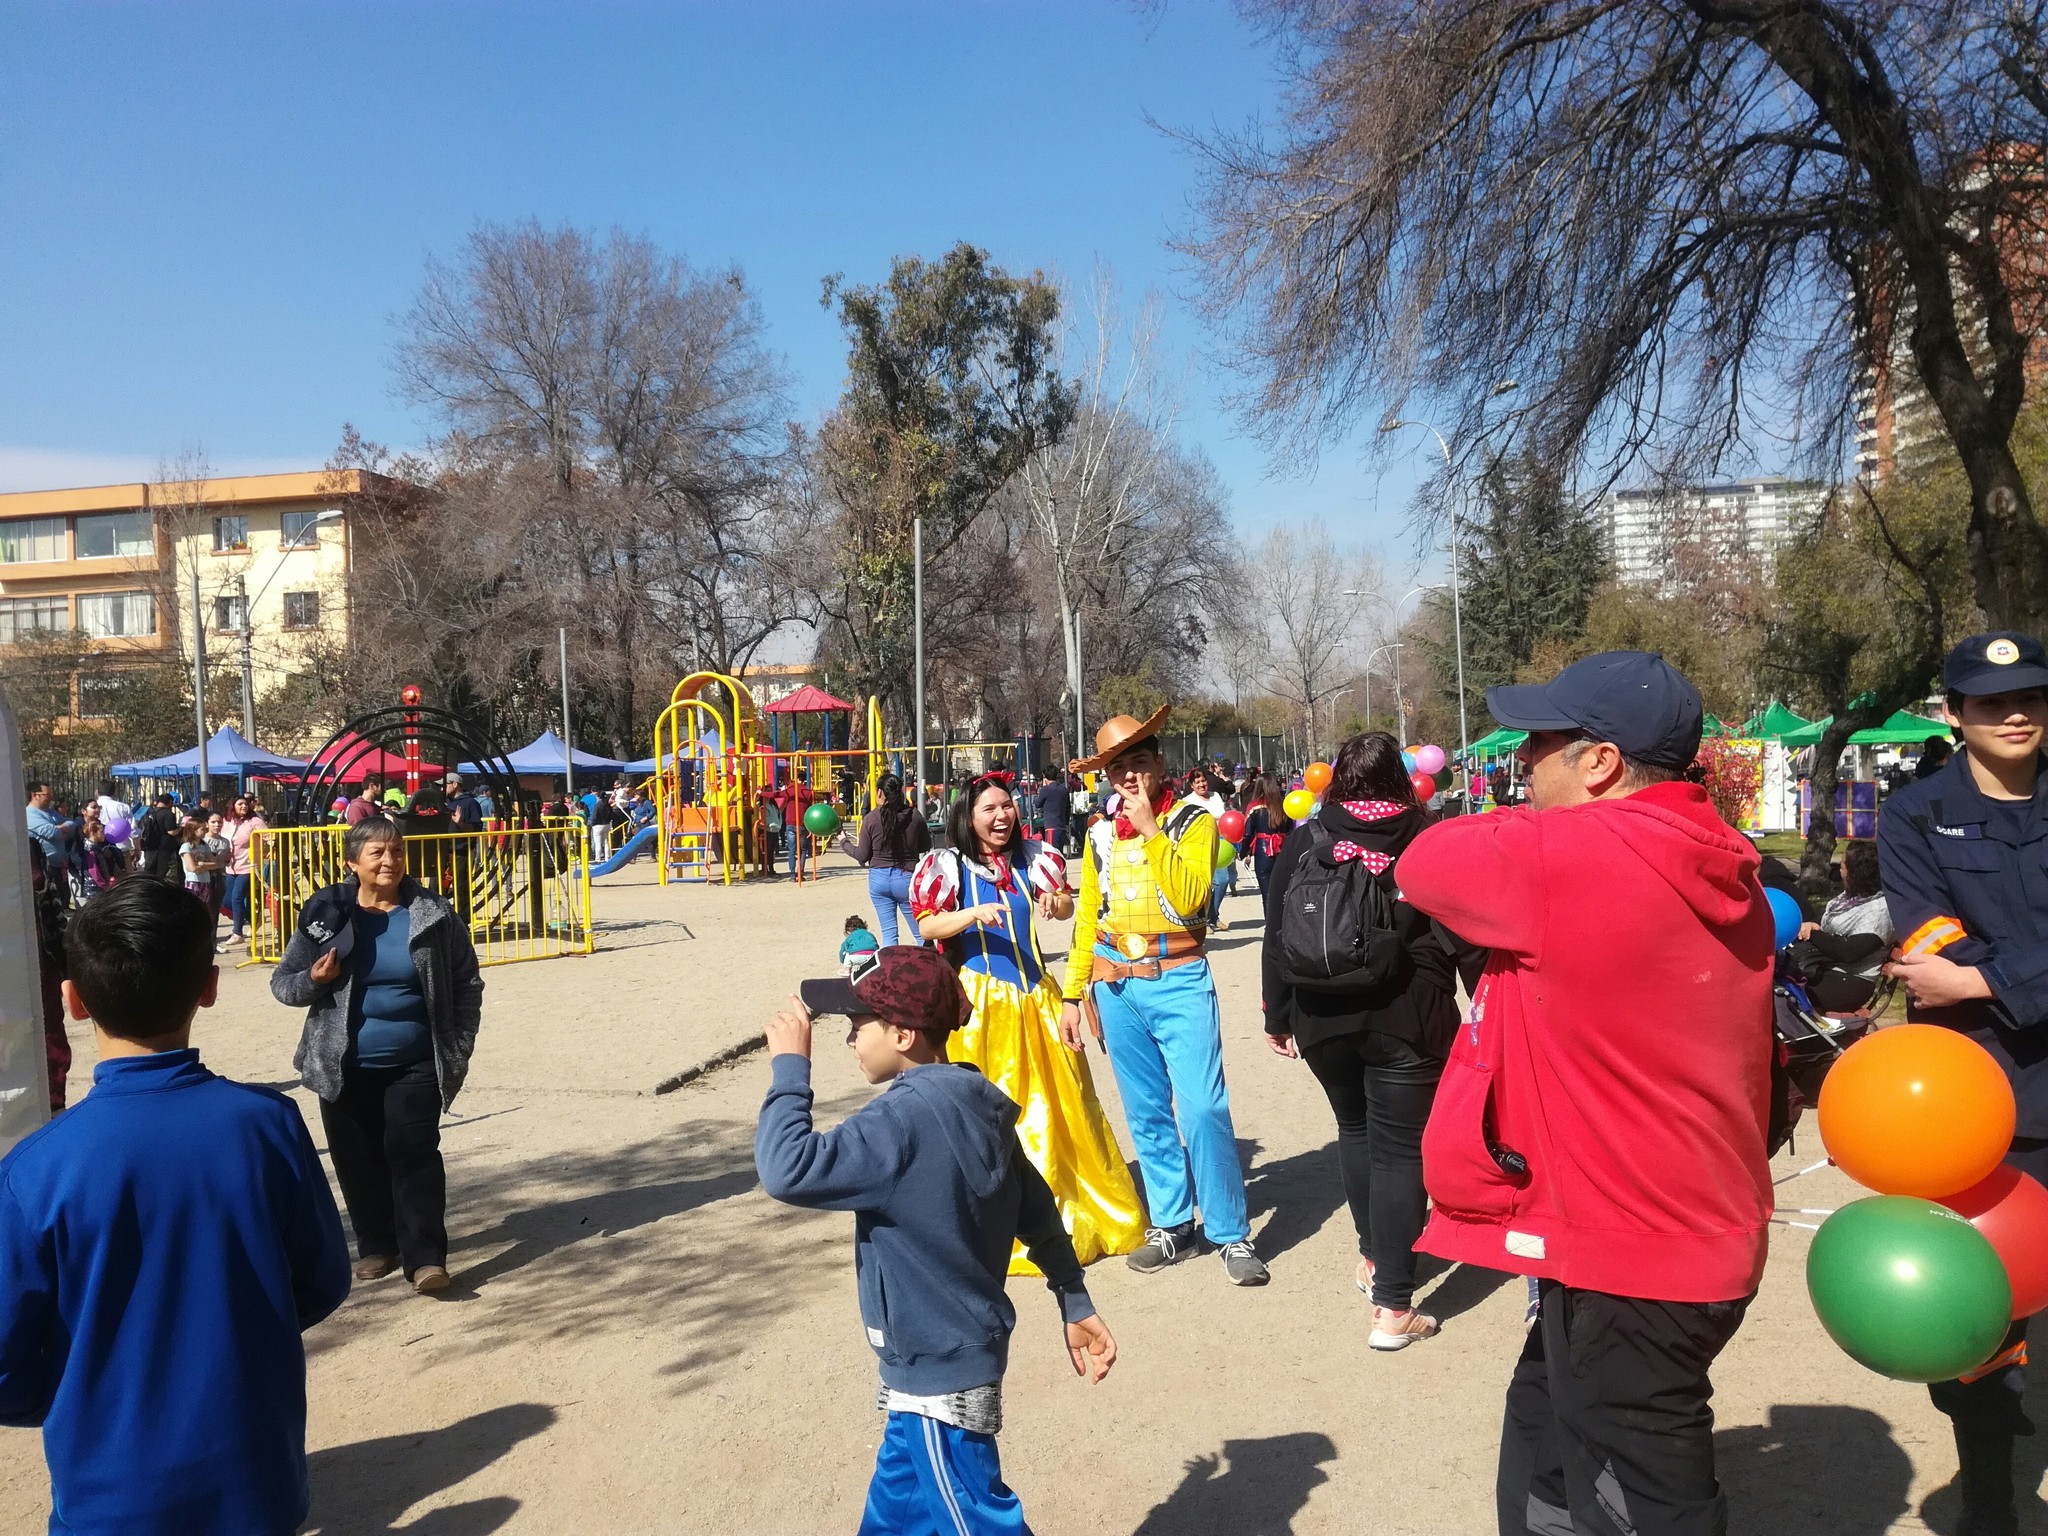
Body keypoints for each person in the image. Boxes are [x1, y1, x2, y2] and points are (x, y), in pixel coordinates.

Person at [1398, 650, 1773, 1536]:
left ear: (1600, 761)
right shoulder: (1726, 861)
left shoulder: (1570, 854)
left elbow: (1425, 862)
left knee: (1645, 1499)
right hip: (1682, 1229)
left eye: (1541, 743)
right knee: (1546, 1439)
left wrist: (1517, 823)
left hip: (1632, 1250)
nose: (1522, 761)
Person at [0, 878, 350, 1535]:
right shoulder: (267, 1126)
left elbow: (4, 1364)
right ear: (209, 987)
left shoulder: (33, 1173)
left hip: (107, 1496)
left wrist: (85, 1387)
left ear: (72, 1001)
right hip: (258, 1478)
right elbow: (323, 1278)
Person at [754, 946, 1116, 1536]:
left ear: (902, 1034)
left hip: (938, 1383)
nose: (849, 1039)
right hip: (934, 1367)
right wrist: (1073, 1296)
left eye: (857, 1025)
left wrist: (791, 1070)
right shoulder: (978, 1102)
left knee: (979, 1523)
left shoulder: (897, 1123)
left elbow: (786, 1168)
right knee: (895, 1519)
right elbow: (1038, 1208)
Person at [1878, 631, 2048, 1536]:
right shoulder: (1914, 815)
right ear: (1955, 714)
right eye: (1991, 702)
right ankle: (1989, 1489)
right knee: (1979, 1324)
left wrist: (1987, 982)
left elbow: (1958, 971)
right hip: (1973, 1107)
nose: (2016, 714)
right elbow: (1925, 938)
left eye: (2031, 697)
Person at [1262, 731, 1480, 1350]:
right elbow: (1464, 926)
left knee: (1355, 1132)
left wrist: (1278, 1015)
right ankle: (1392, 1308)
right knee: (1400, 1149)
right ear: (1400, 779)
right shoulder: (1427, 835)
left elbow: (1278, 925)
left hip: (1320, 1014)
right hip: (1408, 1013)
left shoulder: (1309, 835)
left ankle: (1374, 1258)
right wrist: (1480, 994)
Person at [1058, 710, 1266, 1285]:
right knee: (1146, 1113)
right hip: (1116, 984)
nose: (1128, 777)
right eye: (1118, 768)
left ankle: (1229, 1231)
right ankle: (1173, 1224)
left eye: (1139, 763)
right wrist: (1074, 993)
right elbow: (1086, 920)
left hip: (1178, 977)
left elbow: (1194, 897)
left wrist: (1151, 830)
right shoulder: (1098, 834)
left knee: (1203, 1108)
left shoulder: (1192, 823)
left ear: (1159, 764)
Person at [911, 773, 1146, 1268]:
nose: (1001, 817)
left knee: (1063, 1107)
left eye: (1007, 807)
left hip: (1037, 997)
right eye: (989, 810)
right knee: (992, 1112)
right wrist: (973, 913)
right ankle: (995, 1221)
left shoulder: (1034, 858)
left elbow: (1063, 906)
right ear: (967, 817)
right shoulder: (946, 865)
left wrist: (1053, 902)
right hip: (980, 1005)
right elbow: (927, 923)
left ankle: (1067, 1206)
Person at [271, 815, 485, 1295]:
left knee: (414, 1155)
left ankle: (426, 1258)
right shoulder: (327, 914)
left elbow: (466, 980)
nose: (390, 861)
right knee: (356, 1157)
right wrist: (314, 981)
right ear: (353, 862)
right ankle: (376, 1245)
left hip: (415, 1061)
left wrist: (459, 1042)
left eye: (397, 852)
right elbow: (283, 984)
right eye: (378, 853)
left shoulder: (433, 912)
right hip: (342, 1062)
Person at [1790, 840, 1893, 1014]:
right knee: (1777, 978)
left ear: (1857, 872)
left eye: (1844, 865)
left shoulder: (1880, 910)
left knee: (1785, 993)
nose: (1840, 868)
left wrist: (1814, 934)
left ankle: (1800, 1039)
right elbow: (1827, 926)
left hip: (1851, 982)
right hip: (1825, 968)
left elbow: (1848, 952)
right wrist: (1814, 925)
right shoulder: (1849, 899)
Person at [850, 773, 932, 946]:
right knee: (921, 933)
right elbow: (925, 845)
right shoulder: (914, 815)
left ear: (880, 793)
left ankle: (891, 971)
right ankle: (929, 969)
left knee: (889, 934)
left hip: (879, 878)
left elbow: (862, 855)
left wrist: (844, 842)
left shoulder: (871, 818)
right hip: (907, 877)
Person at [220, 793, 266, 948]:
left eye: (245, 804)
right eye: (240, 804)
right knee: (227, 901)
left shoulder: (255, 821)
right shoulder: (227, 821)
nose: (244, 806)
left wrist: (267, 851)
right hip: (230, 866)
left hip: (248, 866)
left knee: (237, 898)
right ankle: (254, 920)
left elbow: (270, 837)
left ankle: (237, 932)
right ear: (232, 806)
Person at [1241, 773, 1293, 897]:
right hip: (1282, 850)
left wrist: (1243, 852)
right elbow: (1291, 830)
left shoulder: (1254, 806)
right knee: (1282, 893)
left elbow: (1248, 834)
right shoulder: (1284, 805)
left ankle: (1269, 917)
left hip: (1263, 851)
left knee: (1267, 895)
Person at [1034, 770, 1071, 855]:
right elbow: (1068, 807)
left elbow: (1037, 804)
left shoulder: (1046, 790)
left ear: (1045, 777)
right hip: (1061, 825)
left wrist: (1040, 789)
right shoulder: (1063, 789)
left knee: (1052, 853)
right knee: (1059, 853)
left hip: (1051, 825)